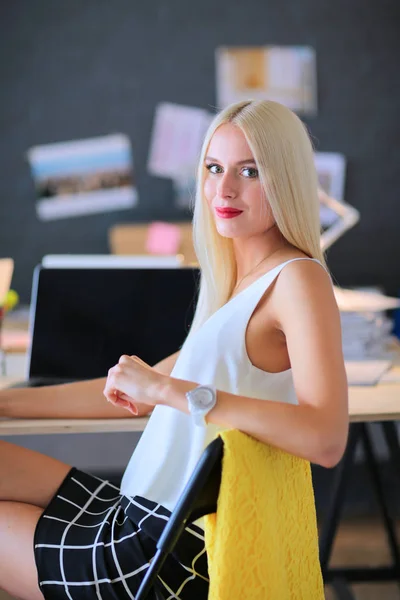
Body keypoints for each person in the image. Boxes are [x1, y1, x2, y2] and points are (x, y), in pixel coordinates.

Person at [0, 99, 348, 600]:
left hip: (155, 554)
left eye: (249, 171)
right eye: (213, 168)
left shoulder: (297, 279)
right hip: (134, 513)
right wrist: (5, 402)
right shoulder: (234, 284)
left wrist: (173, 390)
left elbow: (327, 437)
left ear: (285, 178)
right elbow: (124, 394)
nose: (223, 189)